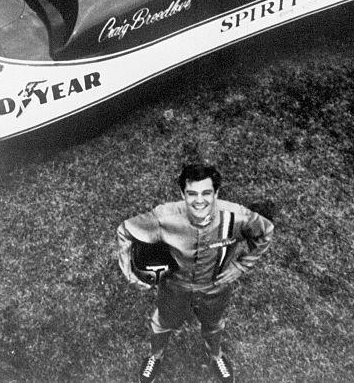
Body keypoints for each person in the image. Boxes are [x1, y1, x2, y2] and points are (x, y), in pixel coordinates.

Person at [116, 162, 275, 382]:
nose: (199, 201)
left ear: (216, 193)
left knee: (213, 324)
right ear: (183, 194)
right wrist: (131, 275)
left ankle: (216, 355)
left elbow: (266, 232)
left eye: (206, 193)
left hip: (216, 286)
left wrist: (241, 266)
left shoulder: (236, 217)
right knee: (163, 323)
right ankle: (155, 355)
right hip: (175, 286)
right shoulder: (164, 217)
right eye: (192, 194)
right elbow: (124, 231)